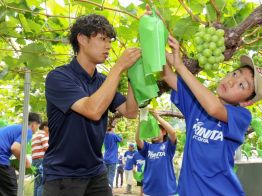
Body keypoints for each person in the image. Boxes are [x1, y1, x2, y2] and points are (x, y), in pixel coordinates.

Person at [43, 14, 140, 196]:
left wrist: (131, 77)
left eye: (109, 41)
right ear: (82, 39)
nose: (108, 46)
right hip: (63, 176)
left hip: (96, 172)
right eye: (102, 39)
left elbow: (130, 111)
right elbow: (92, 110)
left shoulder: (103, 81)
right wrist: (118, 68)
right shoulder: (58, 77)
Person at [162, 34, 262, 195]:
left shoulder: (241, 116)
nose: (232, 81)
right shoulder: (196, 104)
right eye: (235, 74)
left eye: (242, 85)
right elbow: (167, 76)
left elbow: (214, 108)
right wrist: (154, 33)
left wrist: (180, 66)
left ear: (247, 102)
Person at [135, 111, 177, 196]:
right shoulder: (148, 147)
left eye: (157, 130)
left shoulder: (168, 146)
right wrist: (141, 121)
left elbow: (172, 133)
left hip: (167, 190)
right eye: (151, 131)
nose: (154, 133)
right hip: (149, 190)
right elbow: (138, 139)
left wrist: (157, 117)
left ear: (164, 132)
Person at [0, 112, 41, 196]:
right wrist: (26, 163)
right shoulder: (27, 131)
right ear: (34, 124)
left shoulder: (14, 128)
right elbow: (15, 148)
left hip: (2, 159)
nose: (37, 130)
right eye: (38, 126)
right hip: (1, 160)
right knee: (12, 190)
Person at [32, 121, 49, 196]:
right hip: (41, 160)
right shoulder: (44, 134)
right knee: (42, 184)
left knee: (37, 183)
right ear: (45, 127)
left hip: (35, 161)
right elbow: (47, 148)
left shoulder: (35, 135)